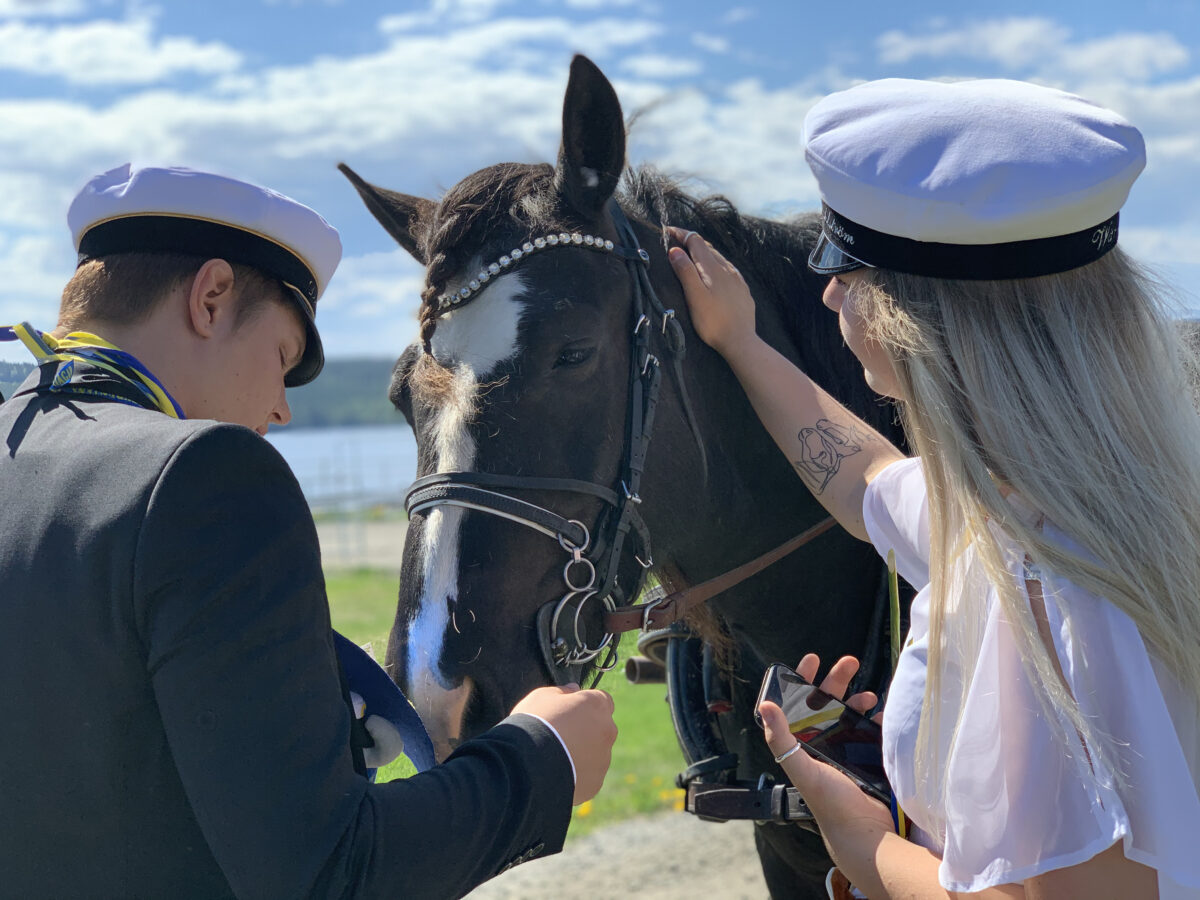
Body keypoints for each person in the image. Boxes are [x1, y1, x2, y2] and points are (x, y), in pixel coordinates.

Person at [0, 164, 617, 899]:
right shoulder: (205, 474)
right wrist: (544, 758)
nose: (279, 409)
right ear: (212, 297)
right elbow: (332, 873)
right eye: (283, 358)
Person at [668, 79, 1200, 899]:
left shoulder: (1044, 589)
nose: (830, 292)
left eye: (847, 267)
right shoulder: (1070, 513)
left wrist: (870, 848)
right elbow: (866, 480)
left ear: (919, 321)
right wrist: (740, 342)